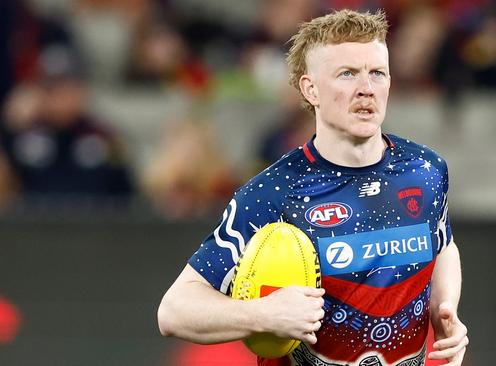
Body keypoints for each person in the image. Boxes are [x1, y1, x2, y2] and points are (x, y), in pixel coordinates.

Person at [158, 9, 468, 366]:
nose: (366, 88)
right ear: (311, 89)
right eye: (347, 74)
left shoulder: (426, 171)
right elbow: (175, 310)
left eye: (377, 73)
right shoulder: (274, 192)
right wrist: (263, 315)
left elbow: (443, 245)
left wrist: (446, 311)